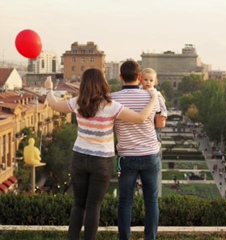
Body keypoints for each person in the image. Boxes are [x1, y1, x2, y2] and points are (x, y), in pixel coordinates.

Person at [44, 68, 158, 240]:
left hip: (79, 159)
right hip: (102, 162)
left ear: (83, 84)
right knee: (93, 207)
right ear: (102, 83)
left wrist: (48, 89)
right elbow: (141, 118)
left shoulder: (77, 103)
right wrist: (154, 98)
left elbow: (53, 104)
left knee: (78, 205)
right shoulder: (111, 106)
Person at [111, 60, 161, 240]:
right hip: (150, 155)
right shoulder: (151, 97)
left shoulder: (113, 99)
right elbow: (159, 123)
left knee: (125, 201)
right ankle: (150, 238)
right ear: (140, 77)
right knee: (151, 201)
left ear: (120, 77)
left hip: (127, 157)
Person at [141, 68, 167, 141]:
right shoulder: (138, 90)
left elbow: (163, 106)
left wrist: (164, 114)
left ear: (155, 82)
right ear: (140, 79)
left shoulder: (156, 93)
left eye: (151, 80)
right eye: (145, 80)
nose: (148, 82)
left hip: (155, 116)